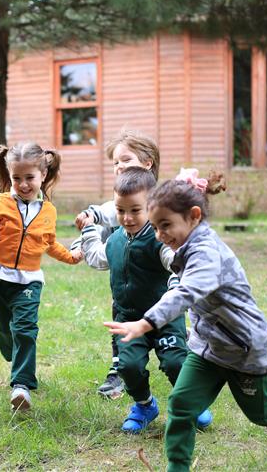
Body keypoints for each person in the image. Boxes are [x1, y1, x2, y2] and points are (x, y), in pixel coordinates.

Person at [105, 168, 267, 471]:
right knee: (181, 405)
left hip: (244, 350)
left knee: (259, 413)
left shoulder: (206, 252)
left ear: (194, 216)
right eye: (155, 227)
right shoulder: (183, 244)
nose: (160, 236)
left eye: (166, 226)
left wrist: (145, 322)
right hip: (208, 348)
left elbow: (187, 292)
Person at [81, 167, 212, 433]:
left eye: (135, 210)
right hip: (129, 319)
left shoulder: (159, 239)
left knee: (176, 362)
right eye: (120, 210)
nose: (127, 218)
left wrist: (177, 285)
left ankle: (192, 403)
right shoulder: (115, 240)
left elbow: (175, 263)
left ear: (151, 206)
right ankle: (144, 405)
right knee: (128, 366)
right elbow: (97, 257)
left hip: (164, 316)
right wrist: (89, 231)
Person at [0, 141, 82, 411]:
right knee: (6, 331)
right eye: (17, 178)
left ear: (43, 176)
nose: (23, 184)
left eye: (30, 178)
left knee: (25, 329)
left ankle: (21, 386)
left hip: (29, 280)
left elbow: (48, 243)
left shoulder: (48, 211)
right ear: (10, 176)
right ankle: (12, 352)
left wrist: (71, 257)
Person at [72, 130, 161, 398]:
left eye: (126, 159)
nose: (119, 166)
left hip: (155, 281)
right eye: (115, 163)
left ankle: (181, 349)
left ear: (147, 163)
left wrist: (94, 213)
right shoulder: (119, 203)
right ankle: (119, 370)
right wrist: (82, 240)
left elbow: (107, 212)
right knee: (121, 315)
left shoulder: (155, 198)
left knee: (163, 325)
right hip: (125, 277)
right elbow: (107, 219)